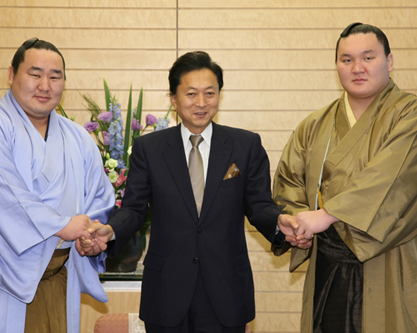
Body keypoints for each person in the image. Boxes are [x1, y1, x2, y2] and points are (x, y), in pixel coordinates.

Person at [78, 51, 298, 332]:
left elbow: (259, 205)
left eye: (210, 93)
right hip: (166, 291)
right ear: (173, 98)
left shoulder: (246, 145)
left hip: (226, 291)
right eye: (191, 94)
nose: (202, 103)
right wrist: (110, 231)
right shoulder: (150, 149)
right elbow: (134, 209)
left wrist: (279, 222)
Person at [273, 22, 417, 332]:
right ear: (336, 66)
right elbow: (290, 184)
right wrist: (295, 221)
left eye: (368, 57)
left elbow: (391, 181)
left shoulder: (416, 116)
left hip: (396, 261)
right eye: (346, 59)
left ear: (389, 62)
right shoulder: (313, 126)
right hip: (328, 268)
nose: (357, 68)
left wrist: (326, 215)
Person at [0, 38, 116, 332]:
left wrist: (94, 233)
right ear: (12, 75)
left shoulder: (78, 138)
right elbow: (1, 195)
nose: (45, 85)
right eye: (35, 74)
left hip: (58, 277)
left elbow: (98, 198)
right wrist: (62, 225)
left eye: (55, 76)